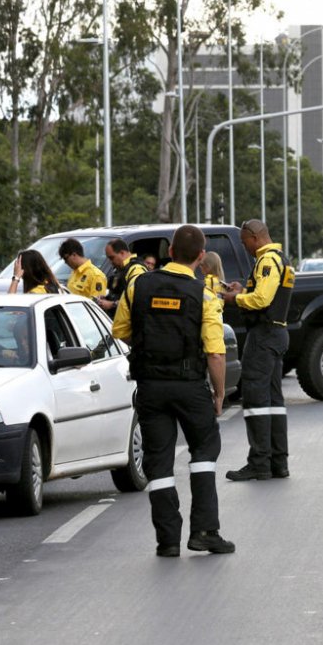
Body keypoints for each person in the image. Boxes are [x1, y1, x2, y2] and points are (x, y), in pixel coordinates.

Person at [111, 225, 234, 557]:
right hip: (190, 386)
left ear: (169, 252)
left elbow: (120, 329)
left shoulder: (138, 285)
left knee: (159, 462)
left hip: (150, 387)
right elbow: (216, 352)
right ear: (199, 257)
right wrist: (219, 394)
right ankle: (205, 531)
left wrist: (150, 348)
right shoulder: (203, 295)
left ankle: (167, 541)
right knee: (205, 449)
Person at [221, 219, 295, 481]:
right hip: (276, 333)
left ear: (255, 237)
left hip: (263, 336)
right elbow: (266, 293)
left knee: (256, 400)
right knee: (274, 401)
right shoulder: (280, 259)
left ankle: (259, 463)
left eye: (244, 242)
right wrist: (243, 289)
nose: (245, 248)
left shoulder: (266, 261)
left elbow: (262, 299)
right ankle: (278, 462)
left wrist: (235, 298)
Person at [98, 239, 148, 315]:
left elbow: (136, 299)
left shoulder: (136, 269)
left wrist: (112, 304)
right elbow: (120, 294)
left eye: (112, 258)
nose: (111, 262)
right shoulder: (121, 269)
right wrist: (107, 297)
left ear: (122, 253)